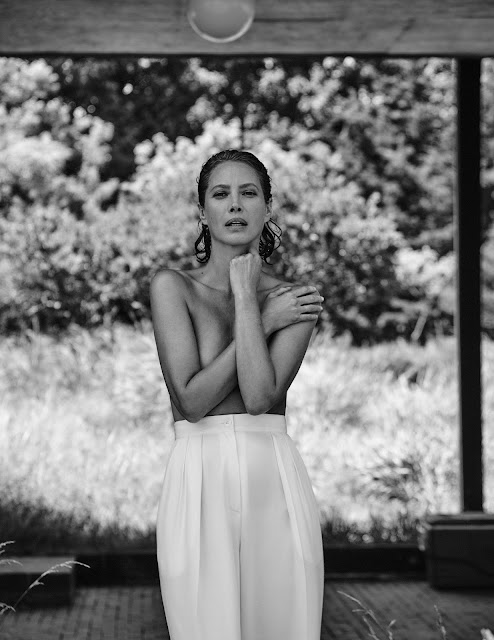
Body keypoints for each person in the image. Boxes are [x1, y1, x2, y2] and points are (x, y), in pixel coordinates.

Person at [150, 149, 325, 640]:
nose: (234, 205)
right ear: (202, 210)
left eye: (248, 193)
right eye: (220, 194)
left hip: (273, 478)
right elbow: (191, 402)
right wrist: (261, 319)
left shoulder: (295, 299)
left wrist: (248, 298)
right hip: (198, 476)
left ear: (267, 208)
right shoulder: (172, 287)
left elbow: (259, 397)